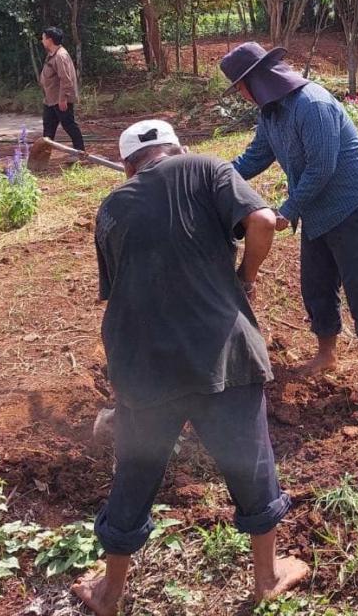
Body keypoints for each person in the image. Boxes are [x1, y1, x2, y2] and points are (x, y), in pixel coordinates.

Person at [76, 120, 307, 616]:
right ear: (177, 148)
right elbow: (264, 221)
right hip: (220, 351)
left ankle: (110, 594)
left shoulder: (112, 206)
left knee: (135, 471)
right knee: (250, 462)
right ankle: (266, 578)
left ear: (126, 166)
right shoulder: (206, 167)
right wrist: (245, 277)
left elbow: (116, 290)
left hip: (142, 364)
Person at [220, 42, 358, 405]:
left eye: (240, 87)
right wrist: (213, 179)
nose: (241, 95)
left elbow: (322, 167)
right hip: (317, 211)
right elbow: (255, 157)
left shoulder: (311, 105)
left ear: (256, 81)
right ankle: (327, 353)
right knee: (316, 285)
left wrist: (288, 209)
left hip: (353, 205)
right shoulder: (271, 114)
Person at [39, 27, 85, 151]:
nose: (42, 41)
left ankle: (80, 151)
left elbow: (66, 79)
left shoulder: (61, 56)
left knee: (69, 125)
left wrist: (63, 99)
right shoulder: (51, 55)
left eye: (43, 38)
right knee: (48, 128)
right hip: (50, 99)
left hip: (59, 99)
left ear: (50, 40)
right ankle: (43, 156)